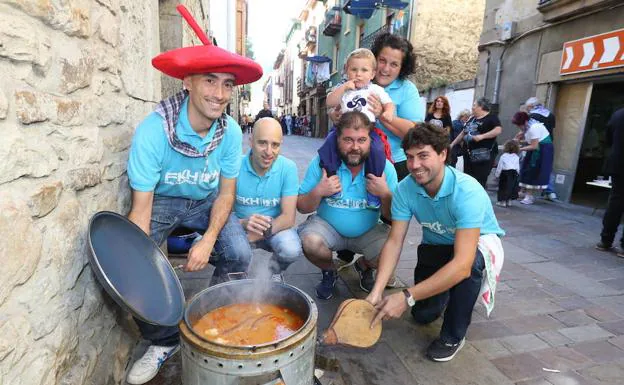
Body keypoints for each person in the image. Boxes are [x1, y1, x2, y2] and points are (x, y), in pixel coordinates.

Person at [124, 9, 263, 384]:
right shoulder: (154, 131)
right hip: (162, 200)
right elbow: (141, 207)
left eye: (227, 84)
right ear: (187, 82)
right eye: (210, 81)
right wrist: (151, 262)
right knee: (135, 263)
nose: (220, 94)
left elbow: (227, 194)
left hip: (205, 201)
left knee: (239, 253)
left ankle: (207, 321)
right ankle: (163, 339)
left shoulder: (231, 132)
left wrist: (209, 240)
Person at [367, 123, 505, 362]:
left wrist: (407, 296)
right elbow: (395, 241)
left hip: (477, 245)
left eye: (423, 156)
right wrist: (376, 292)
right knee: (422, 315)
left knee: (467, 269)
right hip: (436, 245)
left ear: (442, 154)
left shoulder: (467, 191)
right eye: (410, 157)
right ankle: (444, 290)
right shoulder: (404, 189)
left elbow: (462, 262)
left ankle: (453, 335)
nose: (414, 165)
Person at [297, 111, 398, 299]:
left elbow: (394, 218)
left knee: (392, 251)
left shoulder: (384, 168)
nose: (355, 147)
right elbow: (302, 207)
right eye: (348, 140)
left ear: (371, 140)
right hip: (327, 227)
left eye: (361, 140)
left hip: (368, 230)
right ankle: (329, 270)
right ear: (337, 139)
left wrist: (385, 194)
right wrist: (319, 191)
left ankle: (364, 267)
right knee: (309, 243)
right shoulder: (322, 164)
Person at [322, 48, 394, 209]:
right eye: (353, 69)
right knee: (327, 146)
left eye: (364, 70)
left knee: (377, 150)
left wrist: (388, 112)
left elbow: (389, 103)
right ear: (347, 71)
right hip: (343, 130)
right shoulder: (344, 90)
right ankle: (332, 181)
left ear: (373, 74)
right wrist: (344, 88)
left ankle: (373, 192)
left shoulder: (374, 89)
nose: (358, 74)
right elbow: (329, 102)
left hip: (367, 131)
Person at [234, 117, 302, 282]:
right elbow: (220, 211)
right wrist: (243, 224)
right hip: (240, 227)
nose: (269, 152)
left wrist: (256, 234)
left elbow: (288, 218)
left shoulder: (288, 168)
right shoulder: (234, 165)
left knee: (291, 248)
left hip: (274, 229)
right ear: (251, 141)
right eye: (262, 143)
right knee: (205, 245)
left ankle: (273, 271)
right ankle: (234, 271)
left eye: (275, 145)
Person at [450, 98, 502, 188]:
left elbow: (498, 130)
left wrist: (482, 136)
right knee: (469, 178)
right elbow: (463, 132)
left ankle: (479, 198)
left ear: (481, 107)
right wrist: (452, 144)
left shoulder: (491, 118)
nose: (472, 107)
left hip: (483, 156)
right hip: (469, 155)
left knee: (479, 180)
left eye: (474, 105)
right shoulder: (472, 119)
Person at [596, 107, 624, 257]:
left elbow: (608, 138)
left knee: (615, 202)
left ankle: (605, 240)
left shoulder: (618, 114)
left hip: (618, 163)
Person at [512, 111, 554, 205]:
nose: (519, 127)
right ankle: (523, 192)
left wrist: (519, 149)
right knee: (525, 169)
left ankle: (529, 196)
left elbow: (534, 146)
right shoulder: (527, 126)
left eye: (519, 125)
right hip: (536, 148)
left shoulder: (534, 127)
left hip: (542, 150)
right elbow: (522, 136)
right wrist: (516, 139)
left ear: (525, 122)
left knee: (532, 171)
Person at [525, 96, 558, 201]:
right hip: (548, 143)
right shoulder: (550, 114)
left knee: (532, 167)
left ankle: (527, 194)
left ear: (531, 106)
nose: (527, 110)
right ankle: (550, 191)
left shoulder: (533, 116)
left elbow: (529, 131)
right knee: (547, 167)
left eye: (527, 108)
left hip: (537, 143)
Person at [495, 140, 520, 207]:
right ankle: (509, 201)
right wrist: (518, 174)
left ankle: (502, 202)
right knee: (511, 187)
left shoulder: (503, 156)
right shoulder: (516, 157)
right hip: (514, 173)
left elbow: (500, 166)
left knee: (503, 187)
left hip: (505, 173)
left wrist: (497, 174)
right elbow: (517, 167)